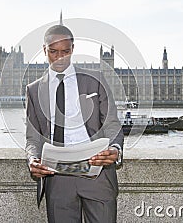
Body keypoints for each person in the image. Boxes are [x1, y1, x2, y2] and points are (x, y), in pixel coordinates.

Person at [25, 23, 124, 223]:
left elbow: (112, 124)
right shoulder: (34, 90)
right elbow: (32, 137)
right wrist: (32, 159)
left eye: (65, 51)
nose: (60, 57)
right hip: (57, 176)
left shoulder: (95, 79)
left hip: (96, 171)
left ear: (73, 49)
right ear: (44, 50)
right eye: (53, 52)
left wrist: (115, 149)